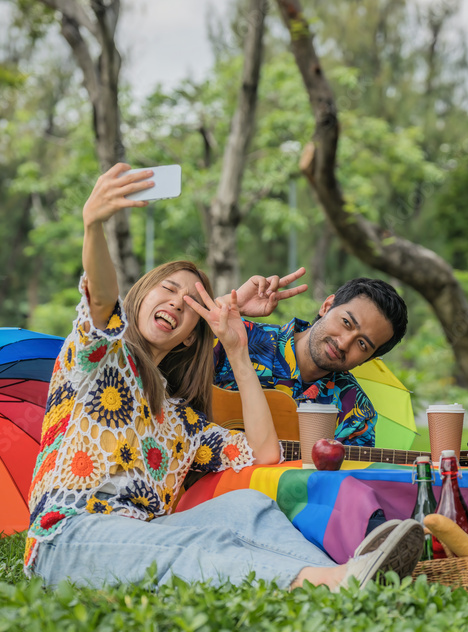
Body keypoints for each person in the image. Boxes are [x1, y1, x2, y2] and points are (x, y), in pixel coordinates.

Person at [24, 163, 423, 589]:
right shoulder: (98, 357)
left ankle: (355, 573)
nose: (177, 303)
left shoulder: (181, 422)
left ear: (188, 337)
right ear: (139, 295)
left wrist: (235, 347)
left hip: (147, 534)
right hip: (69, 536)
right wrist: (94, 224)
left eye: (187, 301)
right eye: (168, 289)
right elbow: (102, 295)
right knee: (193, 551)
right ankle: (326, 581)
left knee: (247, 504)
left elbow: (265, 453)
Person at [212, 273, 408, 447]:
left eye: (362, 344)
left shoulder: (356, 414)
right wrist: (224, 305)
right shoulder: (239, 337)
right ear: (327, 306)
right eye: (346, 323)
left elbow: (344, 485)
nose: (343, 344)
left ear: (368, 359)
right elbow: (181, 354)